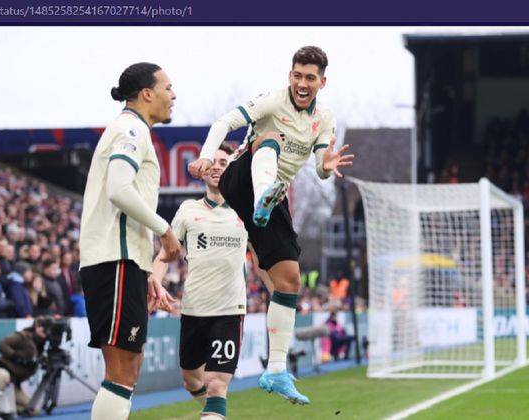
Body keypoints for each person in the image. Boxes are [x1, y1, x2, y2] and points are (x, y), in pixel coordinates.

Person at [188, 46, 354, 405]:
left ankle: (276, 369)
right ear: (289, 76)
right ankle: (264, 198)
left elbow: (323, 171)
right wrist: (205, 154)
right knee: (270, 138)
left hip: (273, 198)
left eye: (310, 77)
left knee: (289, 280)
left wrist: (327, 164)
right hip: (240, 177)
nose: (302, 82)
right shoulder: (272, 101)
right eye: (297, 75)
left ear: (322, 82)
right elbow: (225, 122)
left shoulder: (324, 117)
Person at [78, 62, 180, 420]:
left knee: (128, 368)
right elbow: (119, 189)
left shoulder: (130, 130)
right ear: (147, 93)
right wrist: (165, 231)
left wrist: (147, 271)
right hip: (114, 261)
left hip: (122, 261)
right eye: (168, 88)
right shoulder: (131, 130)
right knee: (121, 370)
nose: (174, 95)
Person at [151, 144, 246, 420]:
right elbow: (165, 254)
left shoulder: (244, 210)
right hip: (193, 311)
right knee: (192, 380)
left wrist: (280, 297)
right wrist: (155, 281)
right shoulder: (188, 210)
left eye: (224, 162)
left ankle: (215, 410)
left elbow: (263, 261)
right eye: (213, 161)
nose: (217, 166)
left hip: (229, 311)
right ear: (203, 169)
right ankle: (214, 413)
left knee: (217, 385)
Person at [0, 316, 50, 415]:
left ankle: (3, 409)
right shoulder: (23, 336)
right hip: (0, 370)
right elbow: (1, 344)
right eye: (44, 327)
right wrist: (15, 356)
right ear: (37, 326)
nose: (46, 331)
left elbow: (46, 362)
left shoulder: (43, 348)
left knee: (34, 410)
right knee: (4, 376)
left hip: (13, 384)